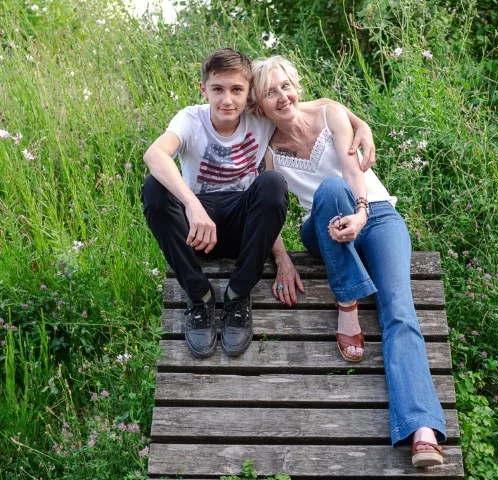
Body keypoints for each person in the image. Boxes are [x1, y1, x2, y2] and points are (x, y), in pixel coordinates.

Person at [251, 56, 446, 468]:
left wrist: (361, 213)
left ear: (296, 86)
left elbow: (352, 168)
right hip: (320, 229)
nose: (282, 96)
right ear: (260, 103)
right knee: (328, 192)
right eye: (271, 92)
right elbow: (269, 211)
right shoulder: (267, 149)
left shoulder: (329, 114)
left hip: (375, 216)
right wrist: (282, 258)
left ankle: (423, 430)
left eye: (286, 85)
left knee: (399, 309)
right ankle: (348, 306)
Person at [141, 48, 375, 359]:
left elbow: (323, 106)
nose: (227, 100)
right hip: (198, 232)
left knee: (272, 183)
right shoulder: (189, 119)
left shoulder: (260, 118)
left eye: (237, 90)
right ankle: (198, 295)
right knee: (154, 186)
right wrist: (192, 205)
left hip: (243, 231)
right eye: (218, 90)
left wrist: (362, 124)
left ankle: (238, 294)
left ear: (249, 93)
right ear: (203, 90)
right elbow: (154, 154)